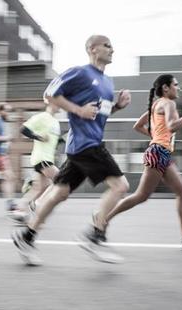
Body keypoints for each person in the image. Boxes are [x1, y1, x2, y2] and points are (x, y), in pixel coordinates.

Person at [11, 34, 131, 265]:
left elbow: (99, 115)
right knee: (121, 186)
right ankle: (94, 235)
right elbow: (49, 94)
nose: (112, 49)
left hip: (82, 146)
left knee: (59, 193)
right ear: (93, 49)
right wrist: (78, 110)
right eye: (107, 45)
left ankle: (27, 236)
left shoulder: (107, 83)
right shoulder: (81, 72)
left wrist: (117, 106)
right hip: (87, 145)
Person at [102, 74, 182, 249]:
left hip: (162, 153)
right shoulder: (168, 103)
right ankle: (103, 221)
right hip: (158, 153)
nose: (179, 88)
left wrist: (155, 136)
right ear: (166, 88)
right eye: (176, 84)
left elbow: (137, 126)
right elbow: (172, 126)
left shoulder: (155, 105)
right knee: (141, 196)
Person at [8, 101, 61, 224]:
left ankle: (19, 211)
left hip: (48, 158)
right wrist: (39, 137)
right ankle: (38, 204)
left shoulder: (56, 122)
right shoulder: (42, 117)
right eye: (59, 101)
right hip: (42, 158)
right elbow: (24, 129)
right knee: (61, 179)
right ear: (51, 102)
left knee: (38, 189)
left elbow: (53, 141)